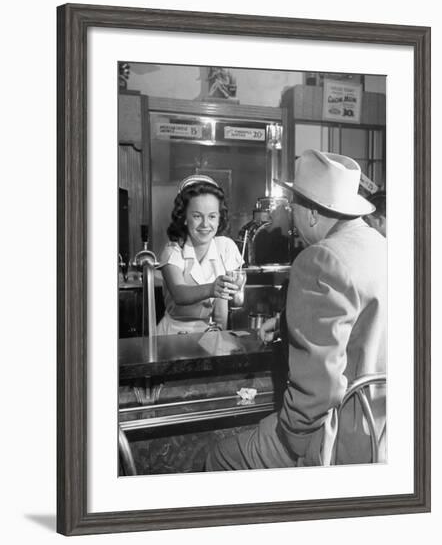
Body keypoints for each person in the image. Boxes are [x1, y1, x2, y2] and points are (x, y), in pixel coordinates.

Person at [206, 149, 387, 470]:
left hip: (340, 442)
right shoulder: (382, 246)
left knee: (220, 457)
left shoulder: (320, 258)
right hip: (385, 435)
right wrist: (289, 321)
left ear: (313, 214)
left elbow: (319, 389)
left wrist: (291, 442)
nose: (290, 216)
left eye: (293, 207)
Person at [156, 175, 243, 335]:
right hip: (172, 335)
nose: (205, 224)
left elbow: (220, 309)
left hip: (207, 333)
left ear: (219, 219)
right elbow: (179, 294)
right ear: (184, 218)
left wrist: (220, 336)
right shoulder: (173, 251)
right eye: (197, 216)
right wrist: (212, 288)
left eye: (212, 216)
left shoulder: (225, 247)